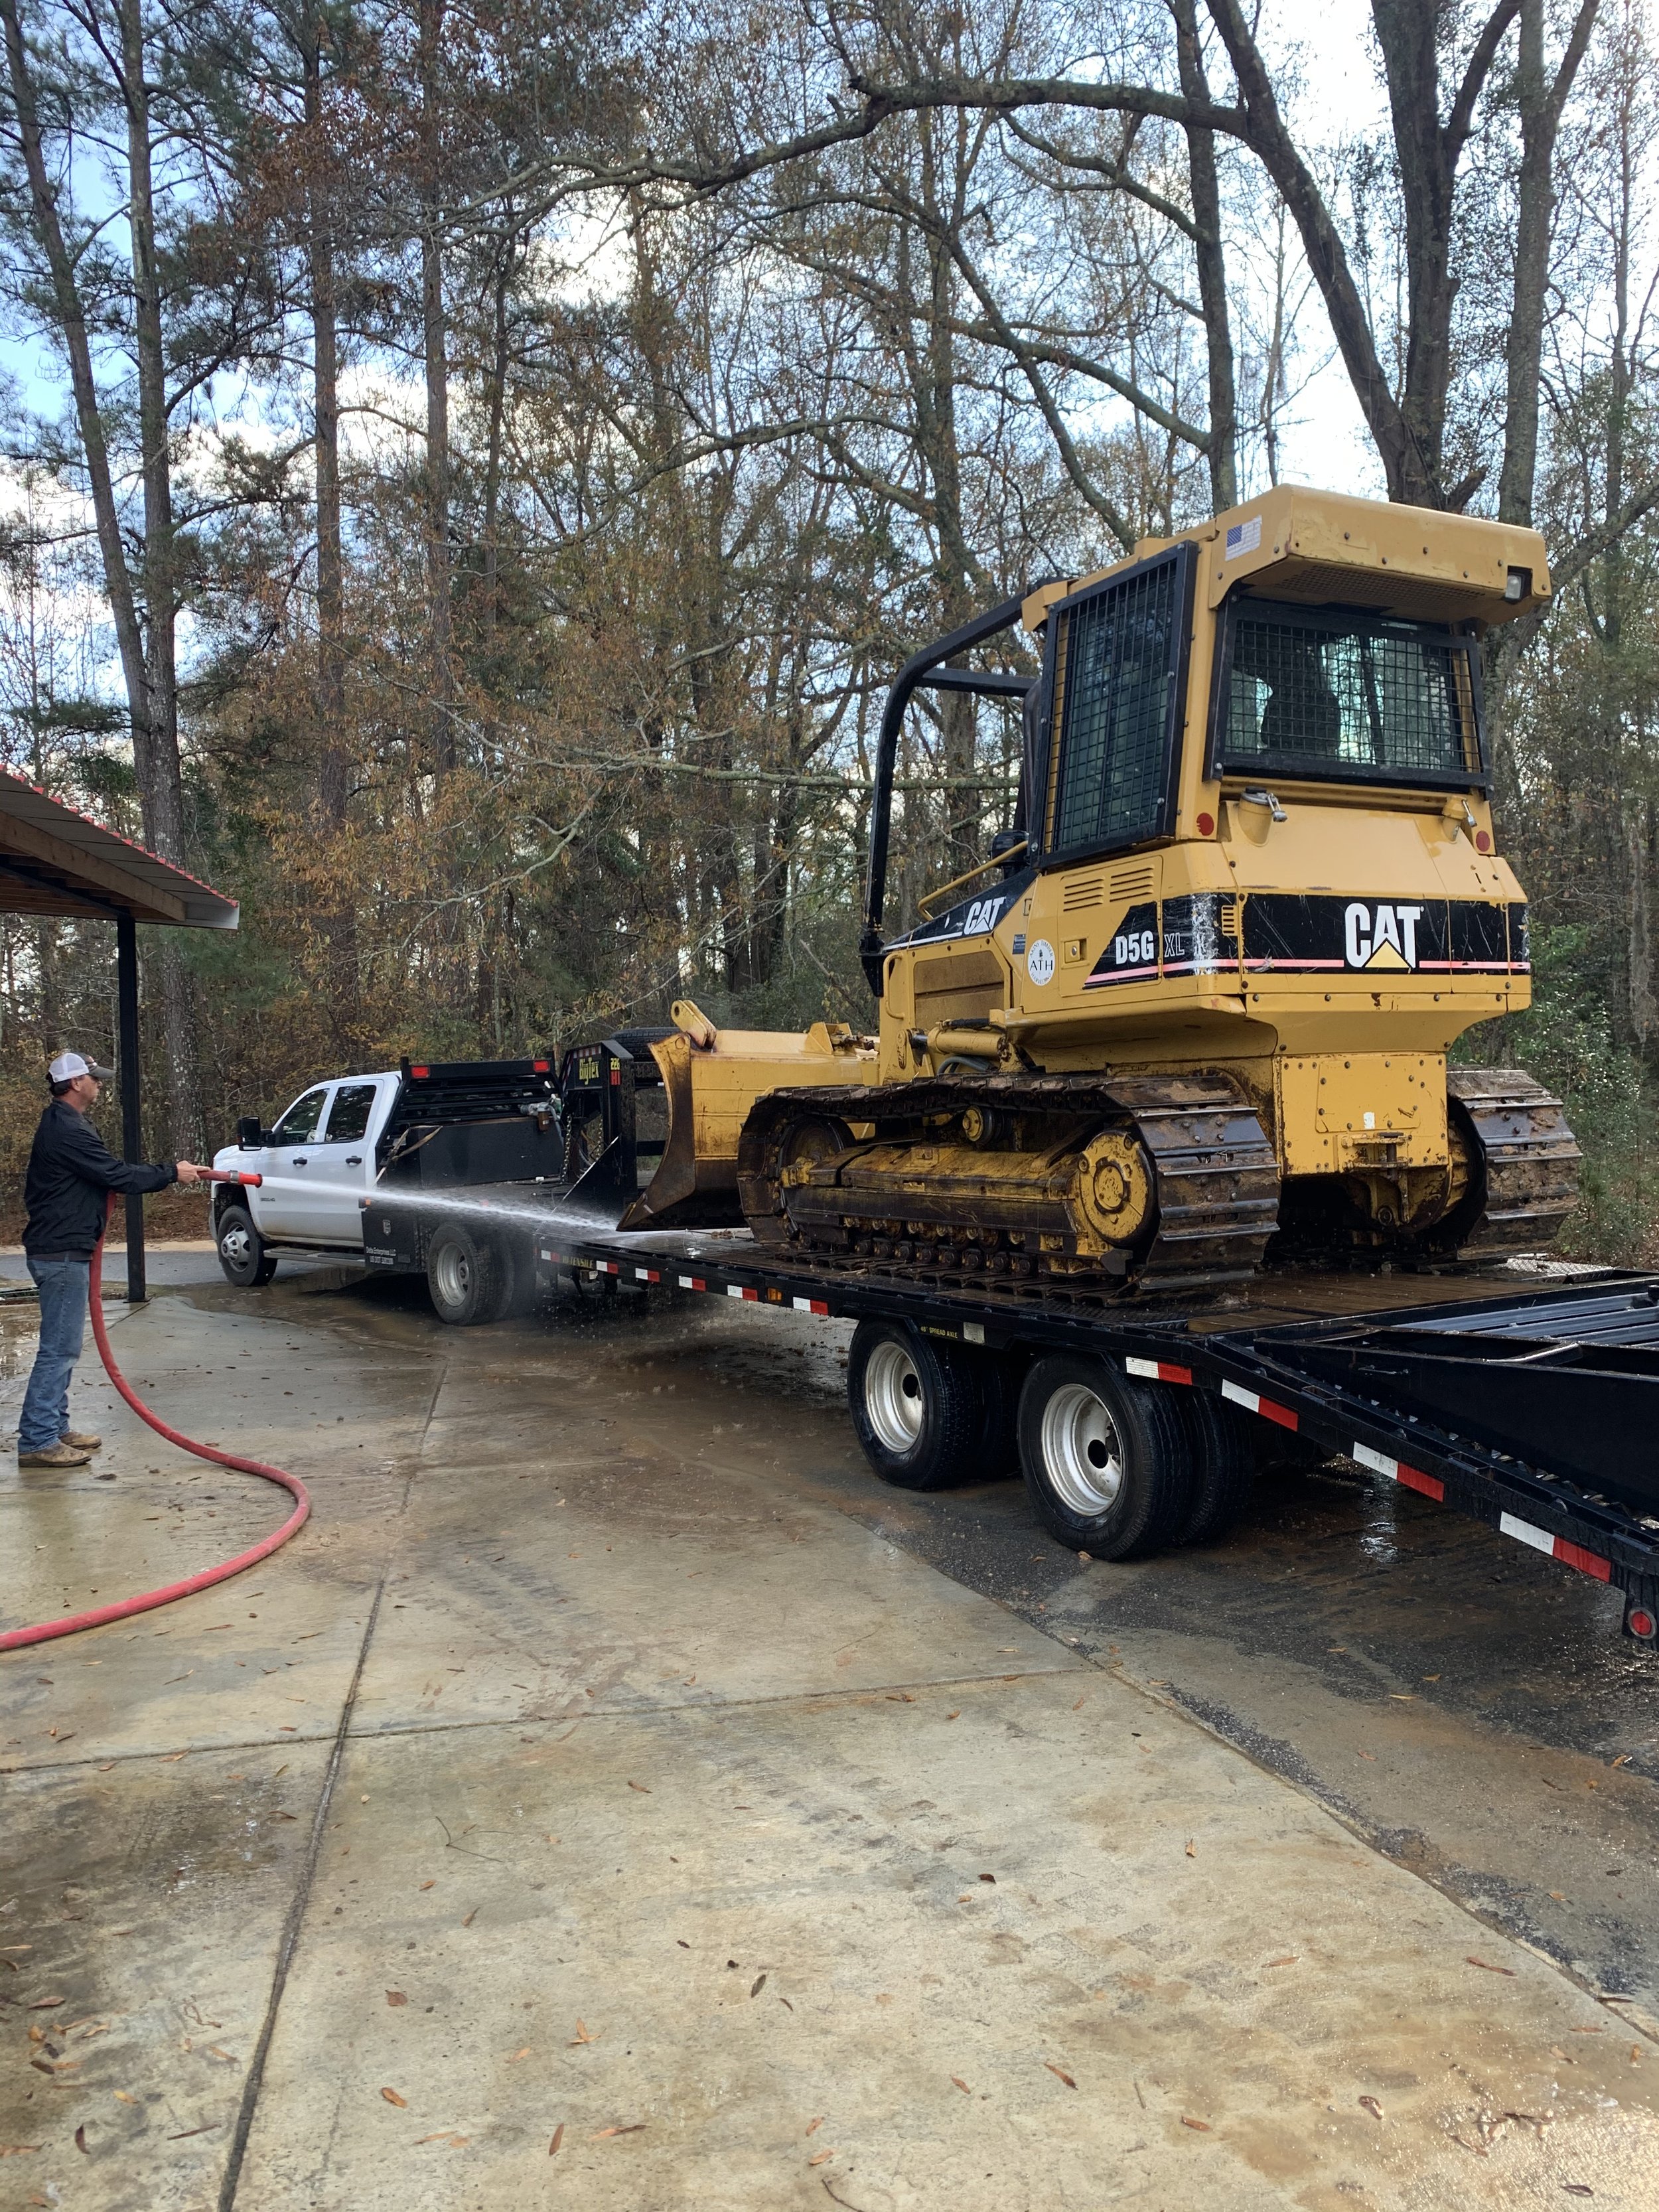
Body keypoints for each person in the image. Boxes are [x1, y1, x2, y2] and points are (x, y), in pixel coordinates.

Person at [17, 1051, 206, 1469]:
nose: (100, 1084)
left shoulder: (65, 1123)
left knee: (63, 1346)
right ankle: (37, 1439)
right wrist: (172, 1173)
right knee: (59, 1349)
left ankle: (54, 1426)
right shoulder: (67, 1129)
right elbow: (116, 1175)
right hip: (61, 1251)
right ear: (74, 1084)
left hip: (64, 1247)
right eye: (94, 1078)